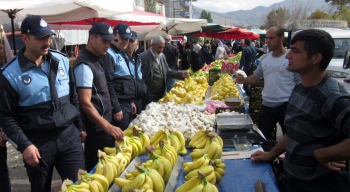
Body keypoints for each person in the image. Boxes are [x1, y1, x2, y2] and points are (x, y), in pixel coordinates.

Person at [251, 29, 350, 192]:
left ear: (316, 58)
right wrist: (271, 155)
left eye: (295, 51)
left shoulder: (332, 96)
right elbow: (294, 131)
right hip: (295, 180)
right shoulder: (299, 89)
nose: (288, 56)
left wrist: (323, 155)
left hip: (322, 185)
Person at [0, 15, 85, 191]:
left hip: (68, 137)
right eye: (40, 38)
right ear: (25, 39)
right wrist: (25, 146)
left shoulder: (61, 60)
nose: (47, 41)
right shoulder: (9, 74)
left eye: (48, 36)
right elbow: (6, 118)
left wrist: (79, 126)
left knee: (81, 185)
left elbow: (73, 96)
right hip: (37, 144)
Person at [73, 22, 124, 172]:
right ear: (92, 39)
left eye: (109, 41)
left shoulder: (96, 59)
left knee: (105, 169)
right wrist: (107, 126)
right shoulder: (84, 65)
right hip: (96, 129)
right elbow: (85, 102)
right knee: (95, 170)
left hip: (104, 126)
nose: (108, 45)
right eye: (104, 40)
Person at [235, 27, 300, 140]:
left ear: (281, 39)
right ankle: (266, 156)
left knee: (290, 138)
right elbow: (255, 77)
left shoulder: (291, 57)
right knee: (263, 138)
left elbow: (300, 83)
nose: (267, 41)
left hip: (286, 105)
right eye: (267, 38)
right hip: (267, 105)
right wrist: (244, 80)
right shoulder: (265, 59)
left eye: (271, 38)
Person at [100, 23, 143, 131]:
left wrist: (131, 101)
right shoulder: (109, 54)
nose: (125, 41)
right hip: (119, 106)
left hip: (126, 104)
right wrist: (117, 108)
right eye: (122, 38)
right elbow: (108, 83)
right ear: (115, 35)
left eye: (127, 39)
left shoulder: (121, 53)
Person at [139, 36, 189, 109]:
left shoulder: (162, 56)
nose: (161, 50)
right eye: (159, 47)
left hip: (161, 92)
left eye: (163, 47)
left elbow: (167, 71)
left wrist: (181, 75)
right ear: (152, 45)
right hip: (149, 94)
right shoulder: (142, 57)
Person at [124, 31, 144, 115]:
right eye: (127, 40)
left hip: (139, 98)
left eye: (132, 41)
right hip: (127, 100)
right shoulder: (120, 58)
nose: (129, 44)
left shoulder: (139, 59)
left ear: (137, 44)